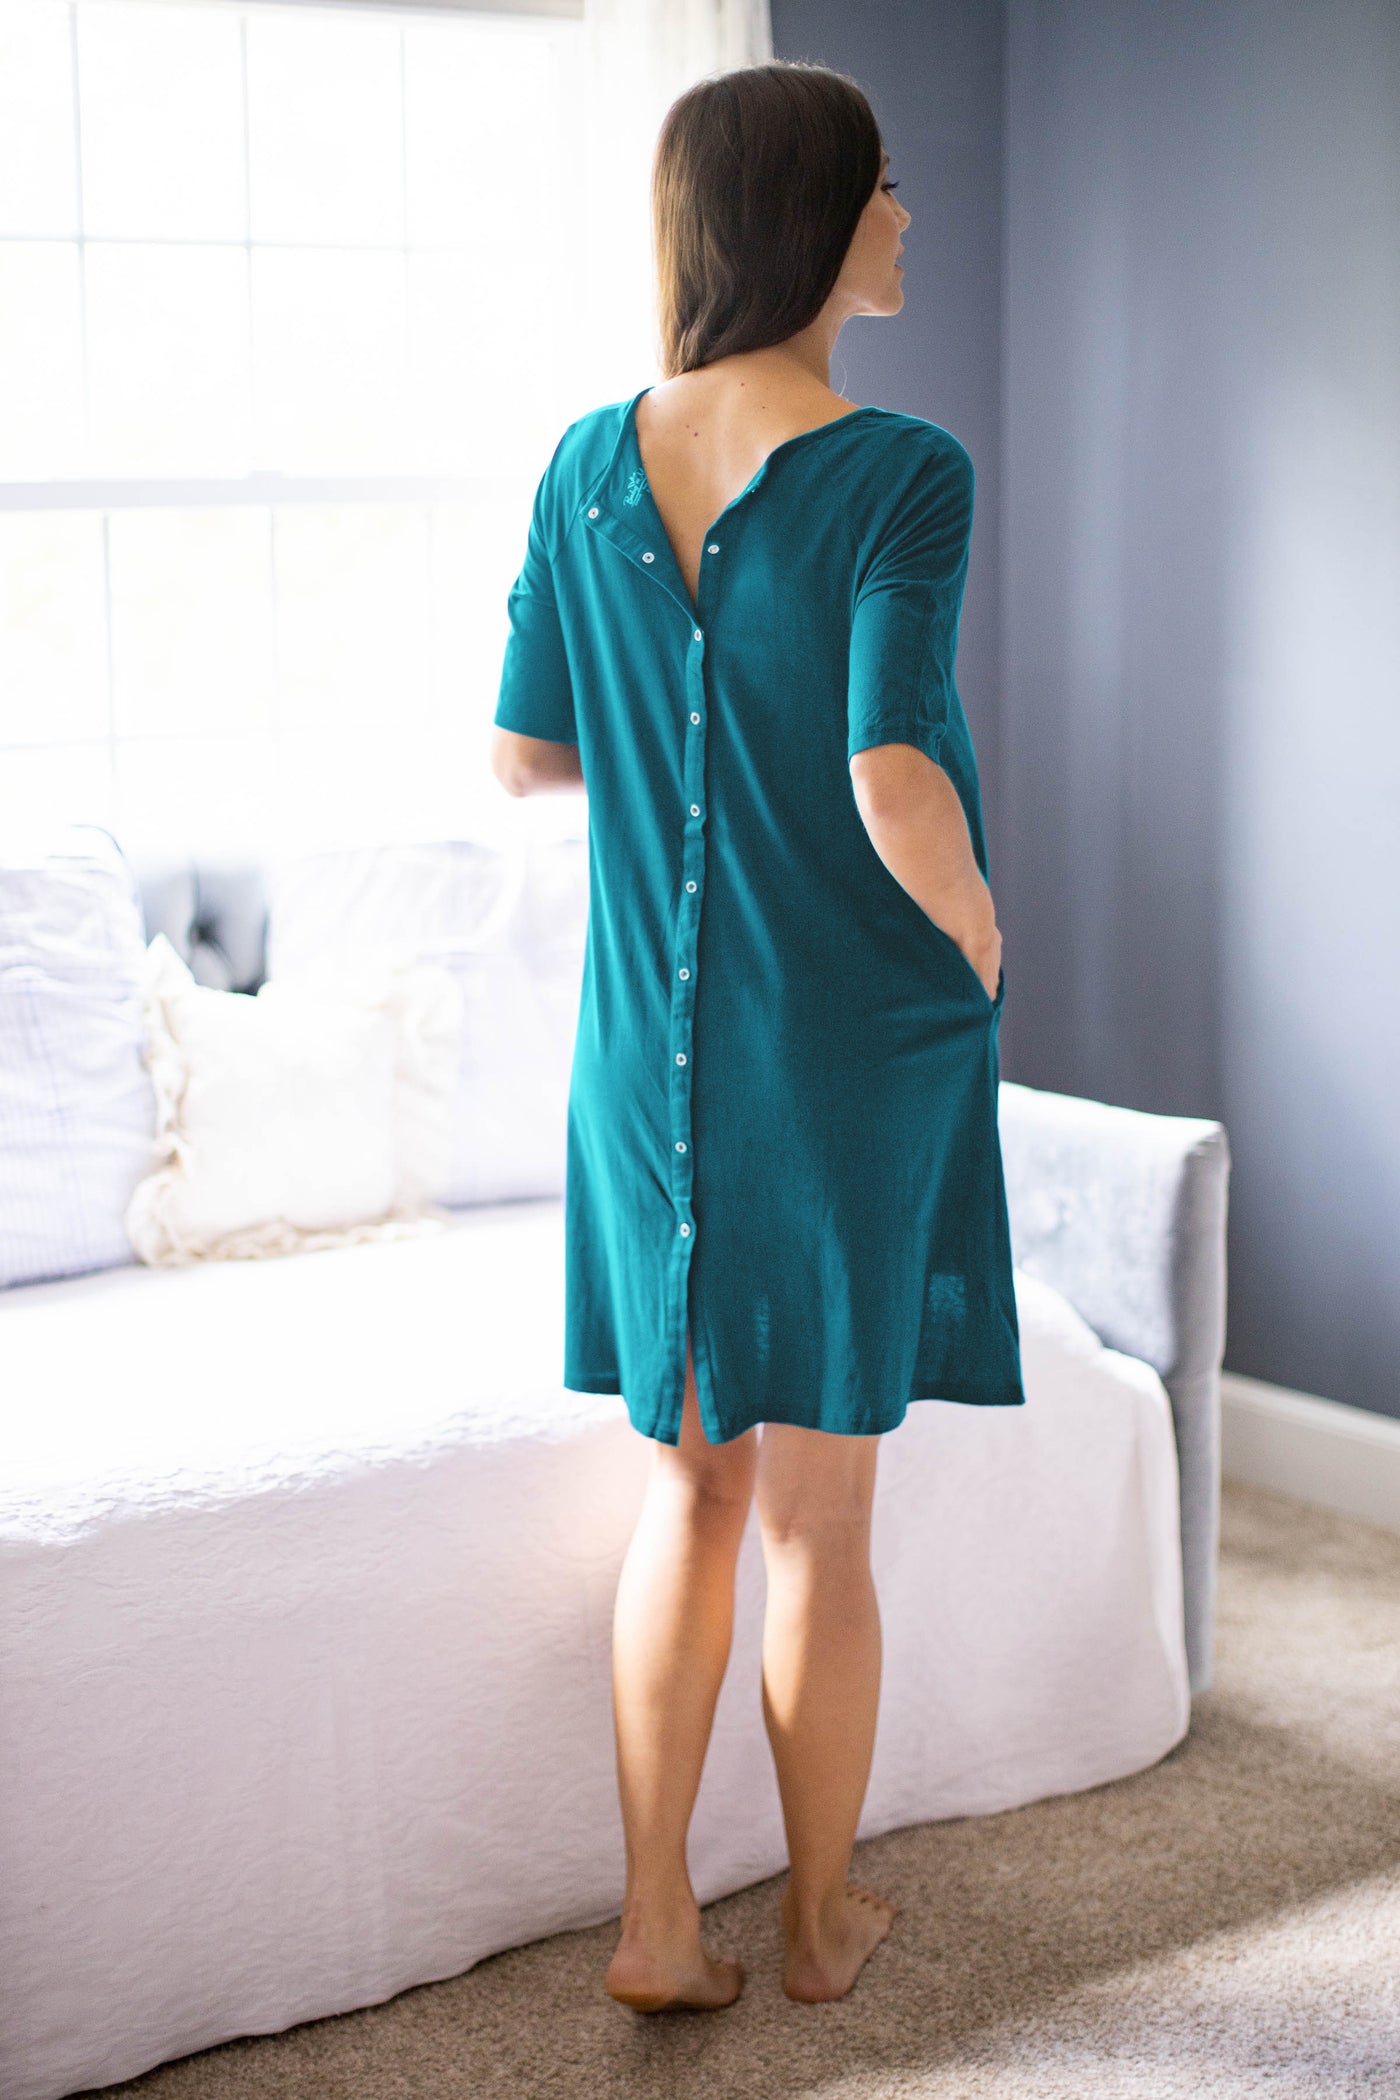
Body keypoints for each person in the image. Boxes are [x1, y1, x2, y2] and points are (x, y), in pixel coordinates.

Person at [491, 60, 1024, 2014]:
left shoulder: (581, 463)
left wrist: (673, 759)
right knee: (820, 1521)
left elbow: (525, 752)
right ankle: (813, 1924)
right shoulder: (902, 469)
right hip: (842, 1050)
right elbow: (891, 768)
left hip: (650, 1059)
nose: (904, 215)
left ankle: (655, 1926)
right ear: (808, 217)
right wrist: (973, 922)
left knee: (691, 1491)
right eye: (881, 186)